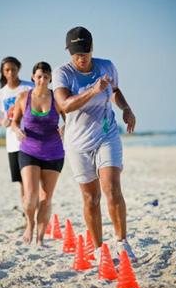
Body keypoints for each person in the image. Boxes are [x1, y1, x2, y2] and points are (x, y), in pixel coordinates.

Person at [53, 26, 137, 261]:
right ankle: (100, 250)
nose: (81, 58)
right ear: (69, 52)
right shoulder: (63, 73)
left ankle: (123, 244)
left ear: (92, 48)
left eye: (85, 53)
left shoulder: (106, 66)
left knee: (112, 189)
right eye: (76, 53)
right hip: (77, 143)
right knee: (91, 198)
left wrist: (126, 108)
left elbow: (115, 91)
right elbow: (65, 105)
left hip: (106, 135)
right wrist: (92, 90)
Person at [11, 62, 64, 245]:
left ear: (50, 79)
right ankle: (29, 224)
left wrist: (65, 129)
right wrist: (17, 130)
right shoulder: (23, 97)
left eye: (46, 76)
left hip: (54, 152)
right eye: (39, 76)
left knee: (46, 198)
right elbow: (14, 121)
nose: (42, 80)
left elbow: (69, 119)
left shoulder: (57, 98)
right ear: (33, 77)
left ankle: (40, 237)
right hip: (29, 150)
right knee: (31, 195)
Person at [0, 56, 33, 221]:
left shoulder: (28, 87)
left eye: (13, 69)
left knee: (33, 179)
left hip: (32, 139)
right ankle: (27, 213)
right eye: (7, 70)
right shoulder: (0, 94)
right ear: (2, 72)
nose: (10, 73)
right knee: (22, 181)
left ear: (18, 69)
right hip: (13, 143)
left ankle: (35, 209)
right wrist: (2, 121)